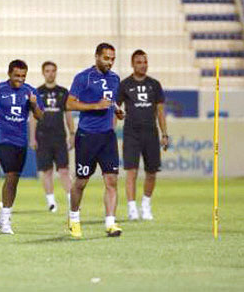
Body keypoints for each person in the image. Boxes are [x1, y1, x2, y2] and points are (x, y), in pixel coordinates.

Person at [0, 60, 44, 234]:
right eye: (17, 76)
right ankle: (6, 220)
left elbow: (40, 116)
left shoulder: (31, 91)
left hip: (20, 140)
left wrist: (34, 104)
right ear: (9, 74)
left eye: (23, 76)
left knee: (14, 179)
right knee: (11, 174)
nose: (20, 79)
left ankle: (3, 216)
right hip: (2, 138)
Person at [66, 43, 125, 238]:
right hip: (87, 136)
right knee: (81, 182)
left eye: (113, 59)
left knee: (111, 180)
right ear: (97, 57)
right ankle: (74, 218)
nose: (110, 62)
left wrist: (117, 111)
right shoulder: (84, 78)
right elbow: (69, 103)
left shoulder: (115, 79)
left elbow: (112, 102)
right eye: (107, 58)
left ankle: (110, 223)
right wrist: (94, 106)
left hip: (108, 136)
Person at [116, 50, 168, 221]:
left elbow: (160, 112)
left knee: (151, 172)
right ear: (132, 64)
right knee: (131, 171)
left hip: (150, 133)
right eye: (139, 62)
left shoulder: (155, 84)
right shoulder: (124, 85)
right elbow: (115, 109)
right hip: (131, 133)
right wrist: (112, 129)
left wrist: (164, 133)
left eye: (145, 62)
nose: (143, 65)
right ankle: (132, 208)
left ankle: (146, 205)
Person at [29, 61, 75, 213]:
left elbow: (68, 114)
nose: (50, 73)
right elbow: (34, 117)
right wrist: (32, 137)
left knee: (63, 170)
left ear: (56, 72)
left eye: (53, 70)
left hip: (59, 136)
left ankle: (71, 200)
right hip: (42, 137)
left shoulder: (63, 92)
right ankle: (51, 202)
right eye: (47, 71)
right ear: (43, 73)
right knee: (47, 171)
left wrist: (72, 133)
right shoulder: (37, 92)